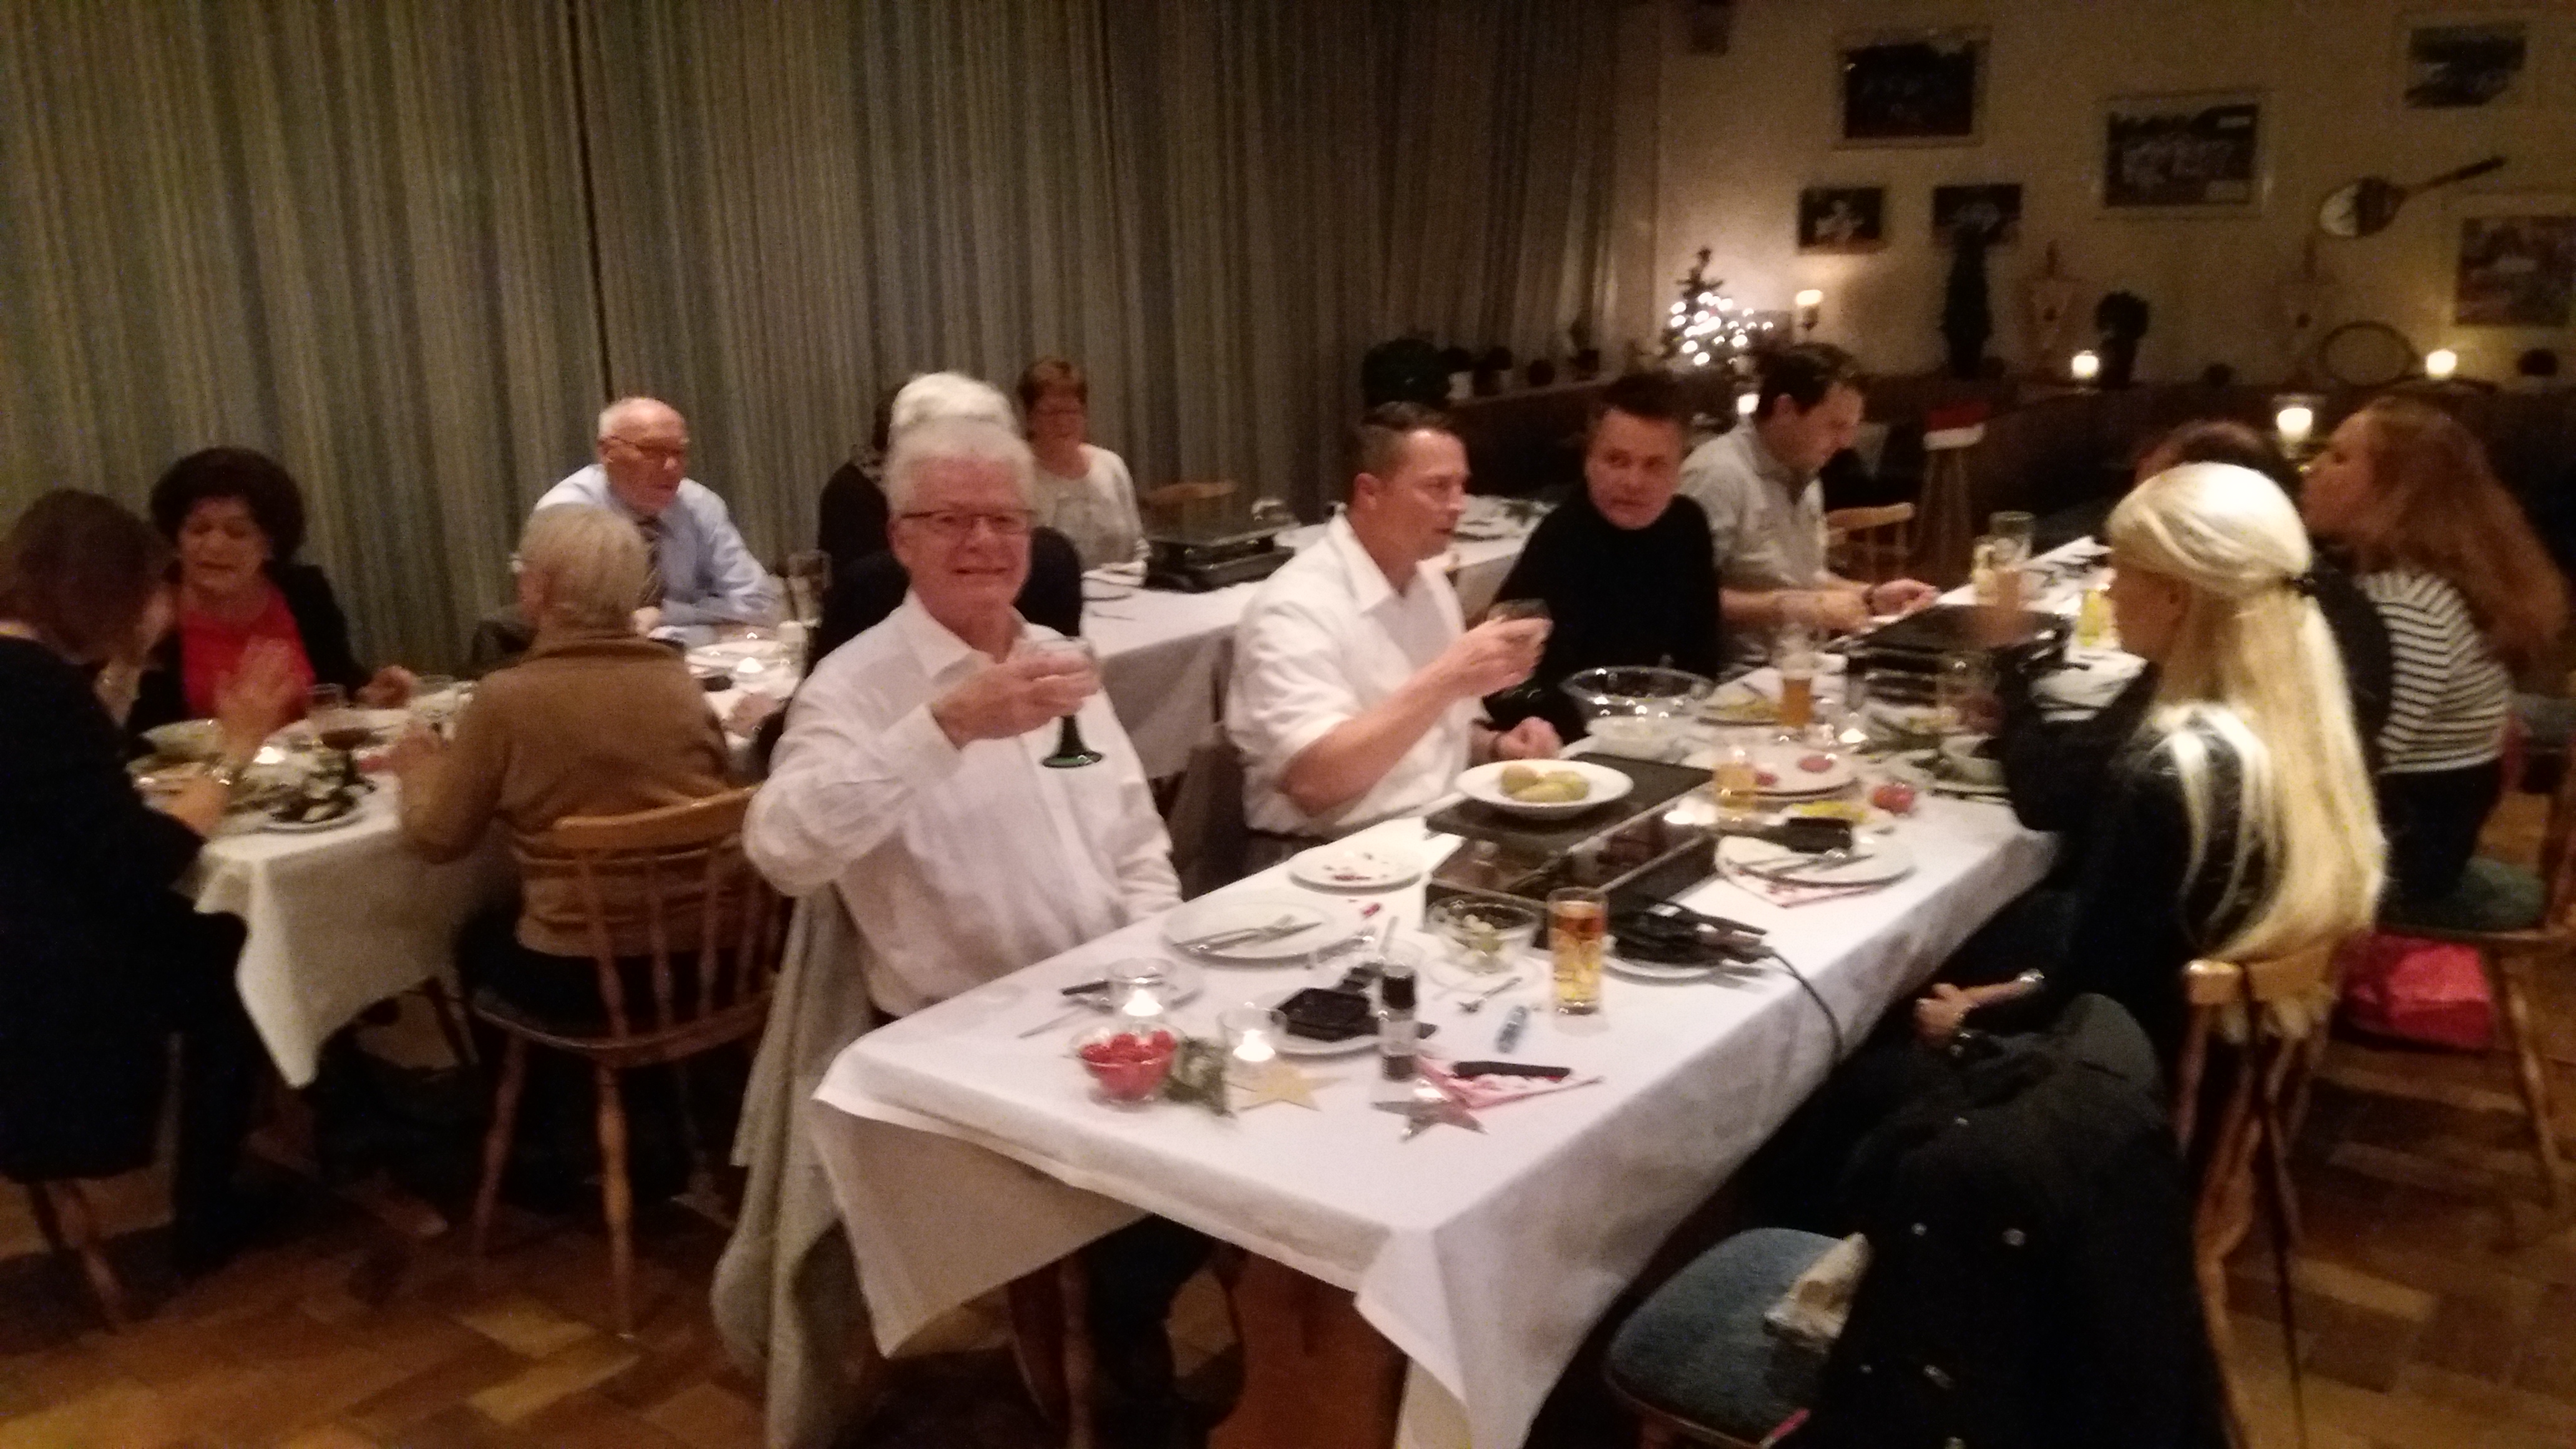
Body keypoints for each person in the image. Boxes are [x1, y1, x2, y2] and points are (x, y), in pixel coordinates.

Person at [745, 414, 1192, 1445]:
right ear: (900, 537)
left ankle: (1134, 1336)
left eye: (1005, 519)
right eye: (951, 519)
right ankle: (1115, 1360)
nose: (984, 541)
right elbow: (781, 847)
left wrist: (1153, 966)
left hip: (1105, 1007)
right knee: (1186, 1181)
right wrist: (943, 724)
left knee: (1264, 1128)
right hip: (964, 1044)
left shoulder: (1057, 659)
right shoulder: (854, 687)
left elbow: (1133, 835)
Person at [1919, 464, 2384, 1064]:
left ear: (2175, 597)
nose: (2107, 590)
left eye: (2120, 569)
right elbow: (2117, 966)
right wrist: (2027, 988)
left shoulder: (2166, 775)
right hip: (2233, 1050)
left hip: (2135, 1081)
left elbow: (2098, 1005)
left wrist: (1968, 1025)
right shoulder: (2306, 718)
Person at [391, 504, 737, 1201]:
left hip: (585, 977)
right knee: (536, 923)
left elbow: (438, 840)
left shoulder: (507, 699)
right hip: (713, 954)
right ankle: (655, 1117)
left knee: (478, 939)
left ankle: (540, 1145)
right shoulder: (679, 682)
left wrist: (418, 769)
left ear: (538, 590)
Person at [0, 491, 298, 1273]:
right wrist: (234, 752)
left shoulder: (24, 671)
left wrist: (128, 662)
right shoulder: (34, 686)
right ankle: (207, 1212)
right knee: (239, 952)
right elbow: (142, 861)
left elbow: (76, 777)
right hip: (45, 973)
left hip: (25, 924)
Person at [1998, 419, 2393, 836]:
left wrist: (2012, 660)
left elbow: (2051, 794)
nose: (2108, 590)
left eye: (2128, 559)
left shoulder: (2176, 755)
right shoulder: (2307, 601)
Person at [1226, 403, 1556, 843]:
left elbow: (1436, 736)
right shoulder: (1294, 607)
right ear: (1370, 492)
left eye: (1461, 486)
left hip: (1434, 828)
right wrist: (1447, 678)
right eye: (1438, 487)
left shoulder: (1427, 583)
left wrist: (1496, 746)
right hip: (1322, 851)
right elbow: (1314, 784)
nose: (1459, 505)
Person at [2300, 396, 2567, 912]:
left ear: (2399, 490)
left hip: (2402, 858)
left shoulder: (2407, 606)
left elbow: (2361, 761)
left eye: (2339, 457)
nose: (2313, 469)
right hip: (2419, 829)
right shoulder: (2413, 583)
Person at [1483, 372, 1723, 741]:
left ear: (1680, 469)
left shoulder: (1687, 525)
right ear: (1588, 461)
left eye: (1654, 465)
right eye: (1616, 460)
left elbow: (1700, 662)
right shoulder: (1561, 538)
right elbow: (1506, 686)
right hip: (1564, 739)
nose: (1633, 482)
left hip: (1655, 729)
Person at [1679, 344, 1937, 658]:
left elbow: (1803, 577)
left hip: (1803, 661)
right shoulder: (1717, 474)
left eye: (1852, 428)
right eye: (1836, 426)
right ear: (1785, 410)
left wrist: (1871, 597)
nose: (1846, 442)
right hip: (1739, 673)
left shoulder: (1804, 468)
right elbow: (1680, 595)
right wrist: (1794, 609)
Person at [131, 446, 414, 733]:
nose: (215, 545)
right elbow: (139, 733)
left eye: (237, 532)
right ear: (176, 539)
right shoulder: (149, 611)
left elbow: (338, 685)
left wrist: (370, 696)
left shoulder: (304, 592)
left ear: (270, 545)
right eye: (199, 529)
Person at [534, 397, 779, 628]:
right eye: (653, 451)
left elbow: (759, 604)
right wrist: (707, 628)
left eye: (679, 452)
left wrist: (667, 615)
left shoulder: (699, 504)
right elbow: (566, 623)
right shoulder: (566, 514)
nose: (672, 466)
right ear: (607, 452)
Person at [1021, 357, 1144, 569]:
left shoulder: (1111, 466)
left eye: (1071, 411)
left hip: (1124, 586)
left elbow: (1137, 545)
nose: (1063, 422)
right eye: (1051, 412)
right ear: (1030, 418)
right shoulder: (1016, 475)